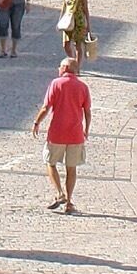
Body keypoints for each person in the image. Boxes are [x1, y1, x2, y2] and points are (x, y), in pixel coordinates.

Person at [32, 54, 92, 213]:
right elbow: (87, 111)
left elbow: (46, 107)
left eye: (60, 66)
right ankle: (69, 202)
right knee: (71, 168)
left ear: (65, 68)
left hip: (57, 132)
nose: (58, 68)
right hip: (75, 134)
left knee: (50, 162)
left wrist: (37, 122)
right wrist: (86, 129)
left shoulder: (56, 83)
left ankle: (59, 193)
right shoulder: (83, 87)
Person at [57, 0, 91, 67]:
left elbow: (85, 8)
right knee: (66, 44)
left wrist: (88, 24)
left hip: (78, 21)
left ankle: (77, 66)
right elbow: (64, 6)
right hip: (68, 20)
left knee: (78, 45)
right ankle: (72, 62)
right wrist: (60, 20)